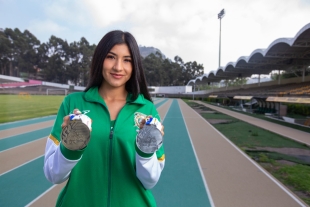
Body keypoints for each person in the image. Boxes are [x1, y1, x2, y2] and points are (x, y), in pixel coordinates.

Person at [43, 30, 165, 207]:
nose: (118, 67)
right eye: (111, 57)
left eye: (127, 60)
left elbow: (150, 182)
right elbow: (53, 175)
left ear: (135, 65)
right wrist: (70, 147)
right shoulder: (73, 103)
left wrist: (145, 152)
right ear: (100, 59)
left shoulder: (147, 109)